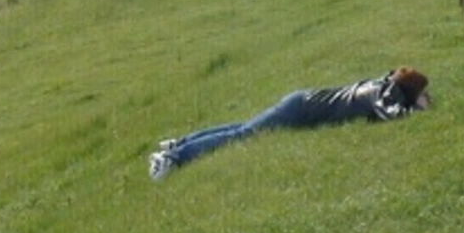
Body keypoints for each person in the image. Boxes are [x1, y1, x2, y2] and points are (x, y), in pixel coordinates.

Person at [148, 67, 431, 180]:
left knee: (244, 128)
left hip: (301, 104)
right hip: (302, 110)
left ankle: (180, 143)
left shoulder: (380, 85)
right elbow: (390, 114)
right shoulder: (381, 93)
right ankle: (174, 158)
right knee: (245, 134)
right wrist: (420, 110)